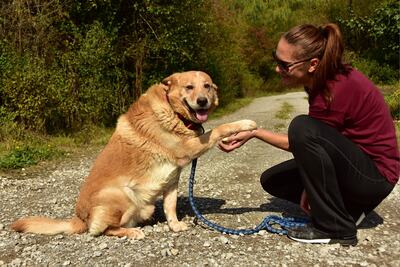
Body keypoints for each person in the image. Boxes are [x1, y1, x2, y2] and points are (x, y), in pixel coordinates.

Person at [218, 23, 400, 246]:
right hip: (354, 166)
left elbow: (302, 140)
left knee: (301, 127)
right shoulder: (323, 79)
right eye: (275, 60)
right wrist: (311, 187)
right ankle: (348, 209)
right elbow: (321, 145)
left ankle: (336, 227)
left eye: (284, 65)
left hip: (375, 178)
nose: (277, 69)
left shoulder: (336, 88)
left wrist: (255, 133)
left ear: (312, 64)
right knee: (273, 181)